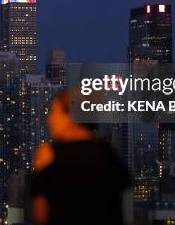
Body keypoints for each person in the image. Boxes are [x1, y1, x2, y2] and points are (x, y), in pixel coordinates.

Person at [32, 91, 131, 225]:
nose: (50, 119)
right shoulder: (108, 152)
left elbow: (41, 212)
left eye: (55, 112)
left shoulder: (50, 154)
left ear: (69, 118)